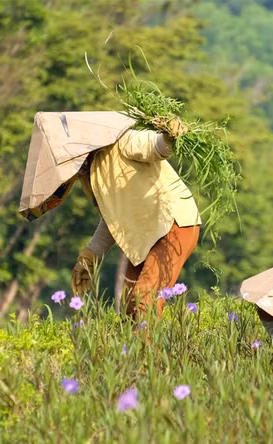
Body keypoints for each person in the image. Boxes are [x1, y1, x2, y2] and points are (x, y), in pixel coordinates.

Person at [68, 119, 201, 320]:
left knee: (144, 298)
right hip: (145, 235)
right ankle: (130, 351)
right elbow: (113, 218)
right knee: (130, 305)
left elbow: (154, 147)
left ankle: (149, 351)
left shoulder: (122, 142)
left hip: (172, 223)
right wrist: (90, 256)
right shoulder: (93, 172)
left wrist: (169, 136)